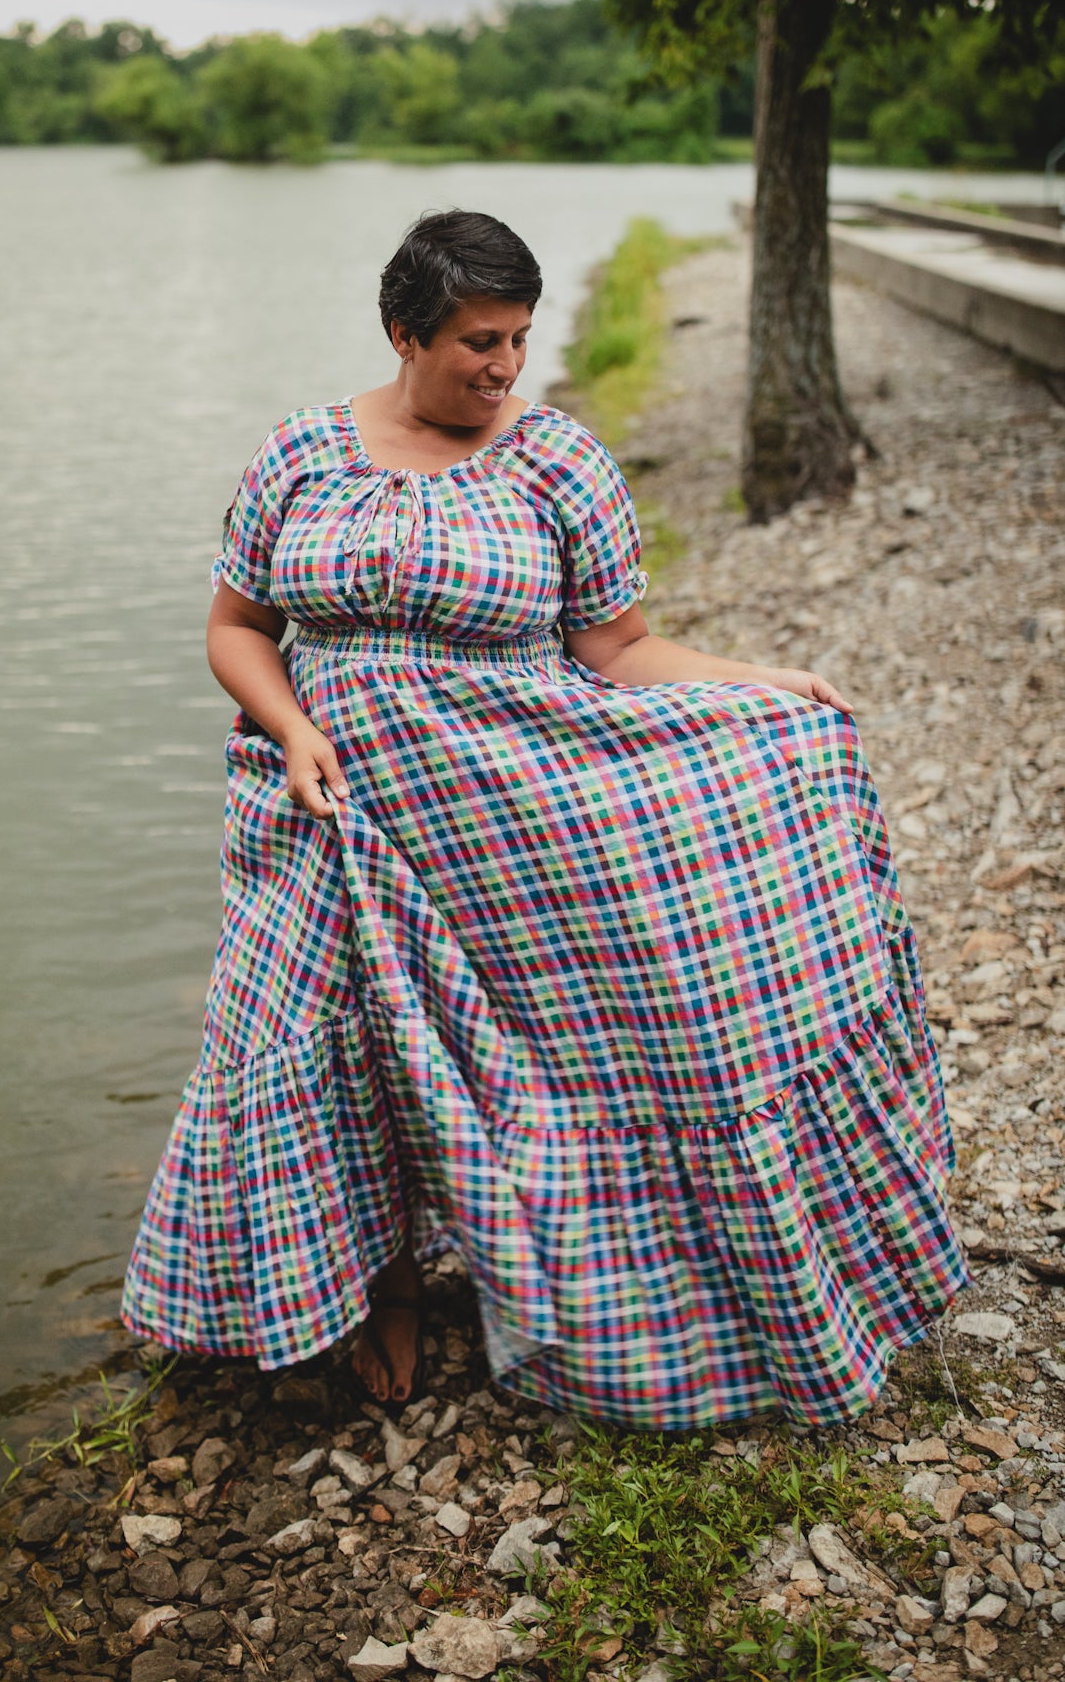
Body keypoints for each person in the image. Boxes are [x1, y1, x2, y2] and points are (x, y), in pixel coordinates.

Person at [122, 209, 966, 1426]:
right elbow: (238, 627)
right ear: (403, 331)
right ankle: (387, 1287)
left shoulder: (559, 460)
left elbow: (617, 648)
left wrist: (755, 679)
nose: (504, 365)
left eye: (520, 337)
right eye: (477, 341)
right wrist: (292, 725)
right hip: (327, 802)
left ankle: (636, 1288)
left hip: (510, 800)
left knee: (607, 1033)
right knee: (331, 1035)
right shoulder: (300, 452)